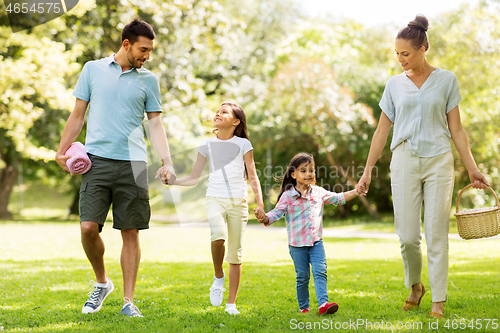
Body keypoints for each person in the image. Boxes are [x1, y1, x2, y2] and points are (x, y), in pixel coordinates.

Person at [356, 15, 489, 318]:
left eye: (406, 53)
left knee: (437, 232)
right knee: (406, 236)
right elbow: (381, 132)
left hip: (439, 160)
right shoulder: (393, 85)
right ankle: (415, 286)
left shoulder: (446, 80)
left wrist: (472, 167)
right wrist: (366, 170)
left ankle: (438, 301)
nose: (400, 59)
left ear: (423, 48)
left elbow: (456, 129)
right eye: (397, 54)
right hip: (404, 160)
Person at [55, 19, 176, 317]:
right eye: (143, 49)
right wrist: (61, 150)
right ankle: (101, 283)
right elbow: (77, 114)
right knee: (87, 227)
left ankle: (128, 301)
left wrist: (167, 161)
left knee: (130, 231)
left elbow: (156, 124)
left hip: (133, 164)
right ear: (126, 44)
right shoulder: (92, 70)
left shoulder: (149, 80)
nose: (146, 56)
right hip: (96, 161)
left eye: (149, 51)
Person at [168, 102, 264, 315]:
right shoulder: (207, 144)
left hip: (238, 203)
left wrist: (260, 203)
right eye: (217, 111)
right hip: (215, 198)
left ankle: (231, 304)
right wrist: (173, 181)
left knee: (235, 254)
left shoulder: (243, 145)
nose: (218, 114)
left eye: (224, 112)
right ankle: (218, 275)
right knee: (218, 236)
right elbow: (194, 178)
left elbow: (252, 174)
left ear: (236, 121)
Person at [255, 153, 364, 315]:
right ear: (293, 174)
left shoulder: (318, 192)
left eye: (311, 170)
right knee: (303, 277)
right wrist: (264, 217)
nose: (309, 174)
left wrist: (356, 191)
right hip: (297, 245)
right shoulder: (288, 196)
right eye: (303, 171)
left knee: (320, 270)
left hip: (316, 242)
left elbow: (338, 198)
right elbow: (276, 213)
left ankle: (323, 305)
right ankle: (304, 308)